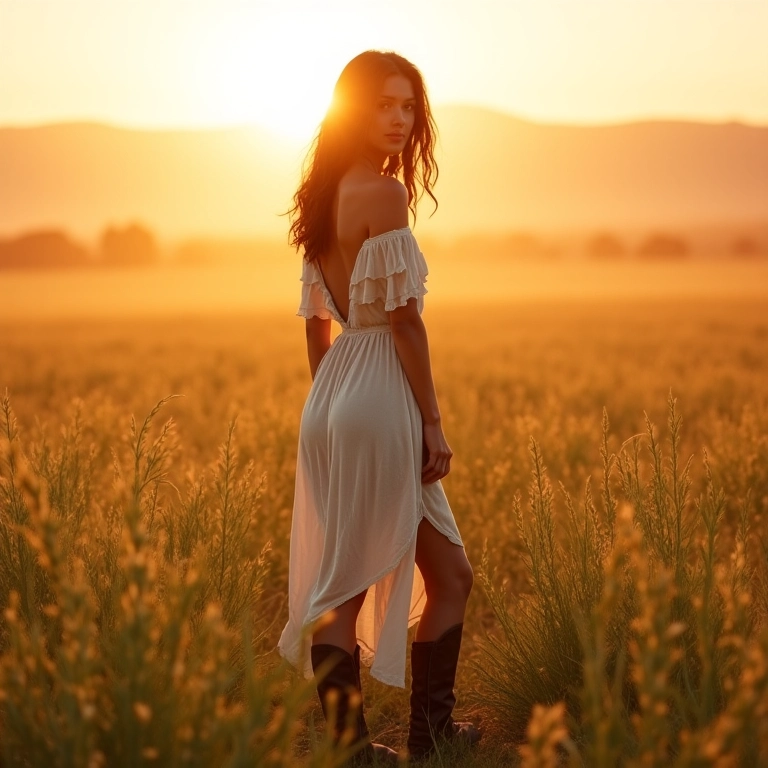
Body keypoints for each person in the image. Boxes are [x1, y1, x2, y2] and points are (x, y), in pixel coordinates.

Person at [278, 50, 480, 763]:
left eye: (407, 107)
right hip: (378, 392)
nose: (397, 120)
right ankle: (372, 745)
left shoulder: (320, 195)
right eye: (382, 106)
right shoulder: (385, 197)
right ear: (351, 112)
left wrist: (330, 405)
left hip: (332, 395)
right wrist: (430, 419)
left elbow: (315, 325)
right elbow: (405, 322)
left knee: (441, 574)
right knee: (352, 579)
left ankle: (415, 736)